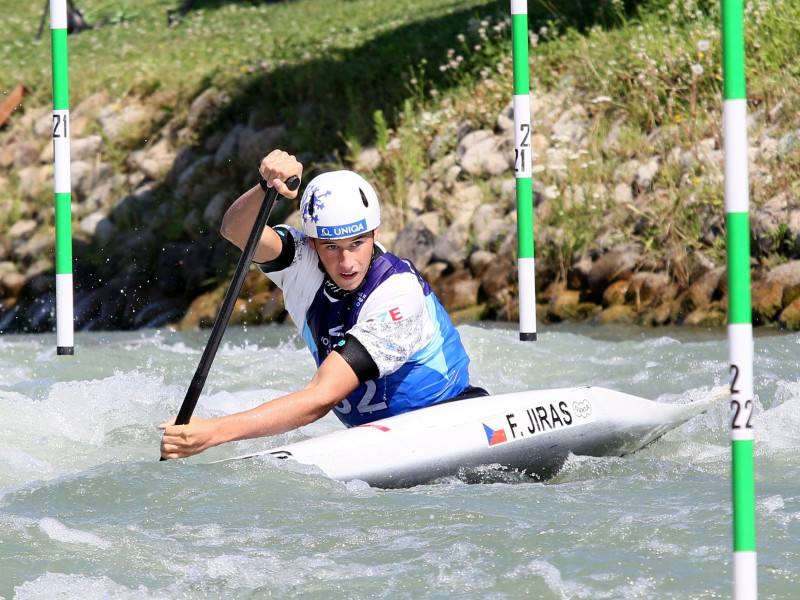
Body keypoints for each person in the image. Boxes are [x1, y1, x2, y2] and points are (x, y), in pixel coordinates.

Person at [159, 149, 484, 459]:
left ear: (375, 233)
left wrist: (214, 432)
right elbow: (236, 230)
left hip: (449, 420)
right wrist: (267, 187)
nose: (347, 262)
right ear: (313, 243)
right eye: (331, 247)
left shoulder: (398, 295)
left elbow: (322, 396)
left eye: (357, 243)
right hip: (371, 439)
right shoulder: (301, 260)